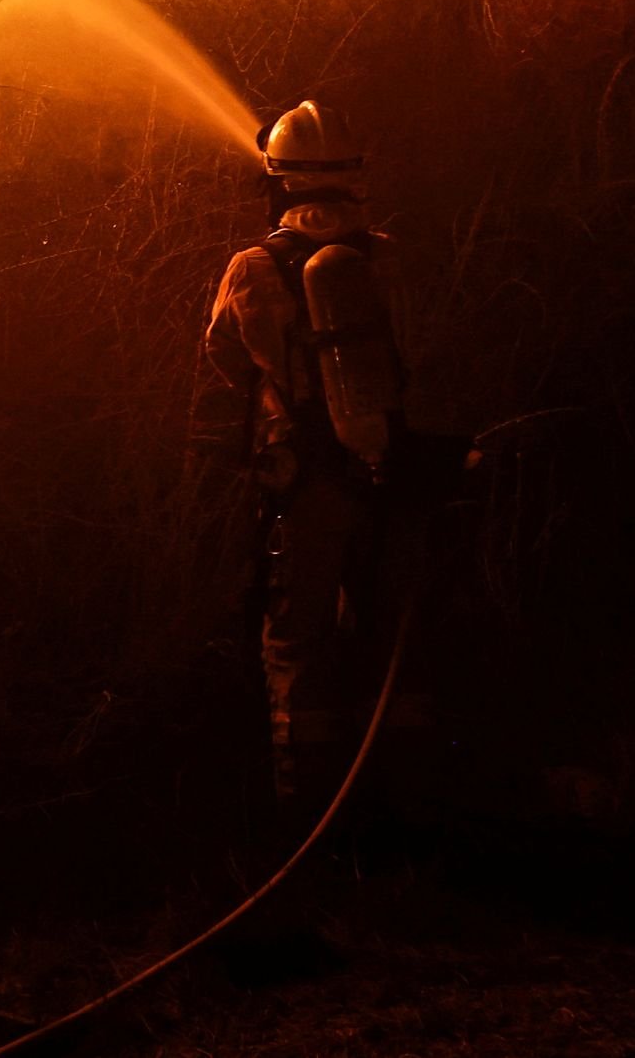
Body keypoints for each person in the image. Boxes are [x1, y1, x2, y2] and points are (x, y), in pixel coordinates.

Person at [187, 100, 414, 818]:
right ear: (354, 178)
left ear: (278, 181)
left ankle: (306, 819)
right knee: (393, 636)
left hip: (305, 486)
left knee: (295, 644)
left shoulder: (253, 267)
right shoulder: (389, 255)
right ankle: (407, 806)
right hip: (399, 477)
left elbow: (223, 357)